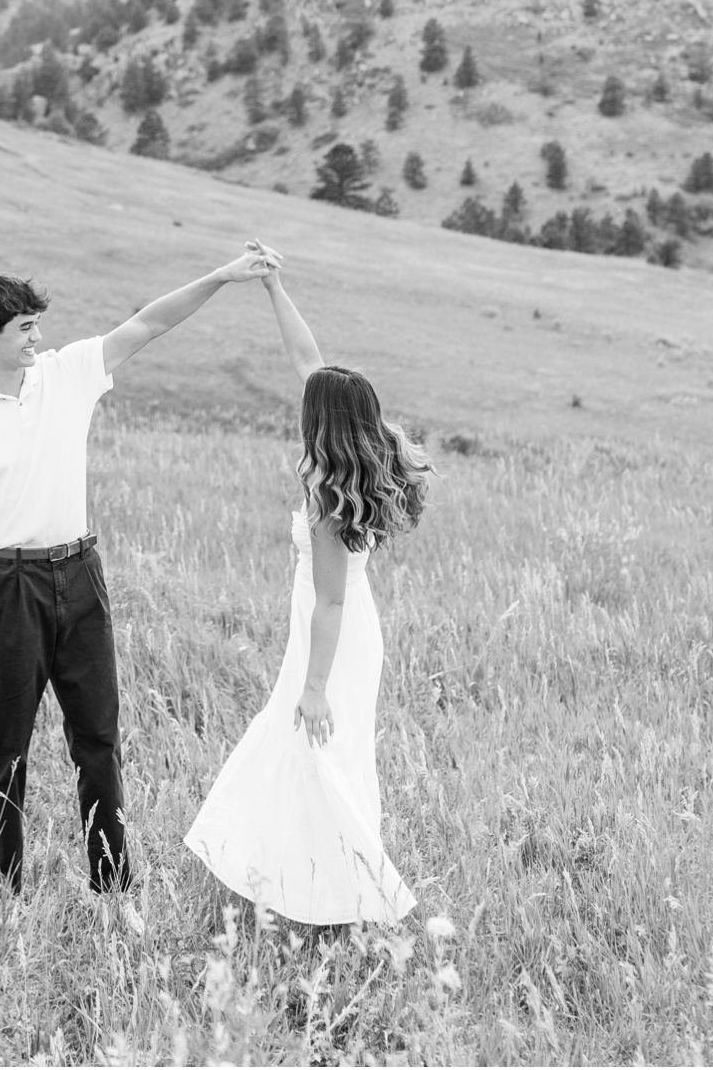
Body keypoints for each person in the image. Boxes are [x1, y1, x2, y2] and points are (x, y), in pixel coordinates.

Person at [0, 246, 280, 900]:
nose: (39, 336)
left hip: (80, 575)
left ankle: (112, 889)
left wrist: (222, 276)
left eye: (38, 323)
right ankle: (3, 896)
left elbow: (147, 323)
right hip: (6, 590)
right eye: (25, 326)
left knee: (99, 739)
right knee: (5, 750)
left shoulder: (66, 374)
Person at [184, 252, 430, 926]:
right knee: (313, 754)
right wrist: (273, 285)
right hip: (343, 634)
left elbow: (330, 599)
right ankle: (302, 885)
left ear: (320, 419)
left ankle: (346, 894)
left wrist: (314, 684)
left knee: (316, 749)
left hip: (334, 638)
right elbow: (307, 355)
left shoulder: (326, 492)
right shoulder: (366, 447)